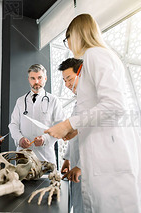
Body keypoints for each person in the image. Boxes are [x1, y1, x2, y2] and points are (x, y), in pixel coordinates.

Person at [45, 14, 141, 212]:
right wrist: (75, 130)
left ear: (76, 34)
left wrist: (68, 124)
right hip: (104, 150)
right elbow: (100, 110)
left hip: (109, 154)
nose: (67, 44)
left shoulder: (95, 55)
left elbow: (114, 105)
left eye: (67, 38)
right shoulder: (97, 57)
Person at [9, 64, 65, 164]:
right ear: (28, 79)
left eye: (39, 78)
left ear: (45, 78)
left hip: (45, 158)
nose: (36, 82)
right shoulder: (21, 101)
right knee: (22, 178)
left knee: (46, 179)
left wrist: (45, 139)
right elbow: (13, 125)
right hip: (24, 157)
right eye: (33, 78)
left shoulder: (53, 100)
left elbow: (60, 127)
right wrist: (20, 139)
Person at [59, 58, 83, 213]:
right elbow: (75, 136)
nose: (67, 84)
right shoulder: (78, 102)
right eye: (64, 80)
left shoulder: (94, 102)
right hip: (75, 163)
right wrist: (67, 158)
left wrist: (81, 165)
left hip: (87, 169)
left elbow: (95, 138)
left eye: (69, 79)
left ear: (81, 74)